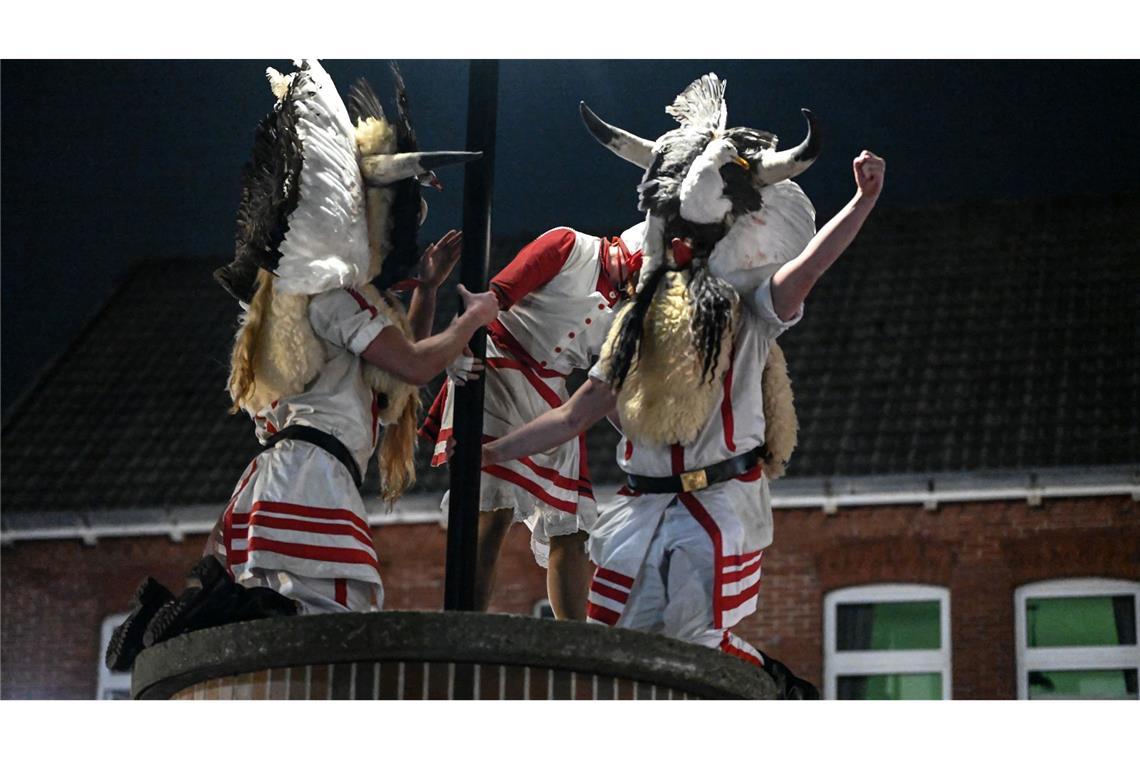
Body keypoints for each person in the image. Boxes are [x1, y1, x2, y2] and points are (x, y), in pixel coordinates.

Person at [105, 59, 495, 671]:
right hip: (310, 472)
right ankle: (202, 618)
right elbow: (417, 367)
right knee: (324, 627)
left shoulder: (318, 301)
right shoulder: (336, 296)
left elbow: (391, 389)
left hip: (290, 470)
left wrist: (426, 293)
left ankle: (191, 612)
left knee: (289, 627)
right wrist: (473, 319)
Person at [479, 150, 886, 696]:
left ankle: (780, 689)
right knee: (617, 649)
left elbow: (809, 266)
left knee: (695, 639)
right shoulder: (629, 329)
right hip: (643, 505)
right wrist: (490, 454)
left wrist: (862, 203)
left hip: (716, 502)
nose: (679, 254)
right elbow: (572, 415)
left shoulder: (749, 310)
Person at [422, 222, 645, 619]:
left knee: (572, 527)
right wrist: (457, 341)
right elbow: (493, 297)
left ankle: (573, 648)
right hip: (498, 366)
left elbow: (607, 387)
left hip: (552, 393)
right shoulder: (569, 245)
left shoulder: (629, 310)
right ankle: (462, 629)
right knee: (493, 509)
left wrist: (647, 443)